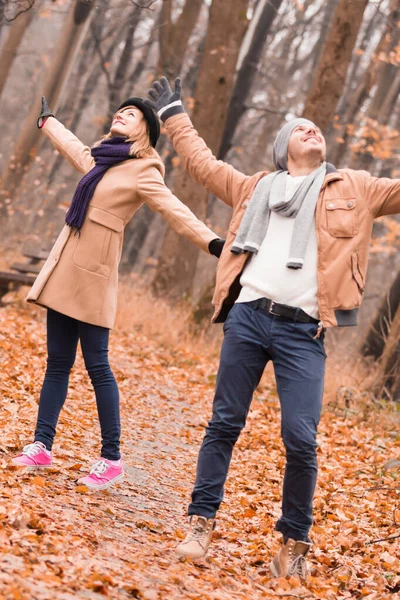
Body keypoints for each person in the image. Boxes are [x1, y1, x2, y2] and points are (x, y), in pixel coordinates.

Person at [145, 77, 400, 580]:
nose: (311, 129)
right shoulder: (255, 187)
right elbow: (202, 165)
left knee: (302, 438)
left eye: (316, 127)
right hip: (248, 317)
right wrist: (173, 115)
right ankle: (200, 525)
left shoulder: (355, 187)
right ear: (283, 149)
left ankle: (293, 543)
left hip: (304, 332)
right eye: (299, 128)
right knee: (224, 423)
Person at [11, 95, 223, 490]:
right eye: (120, 110)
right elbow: (74, 146)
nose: (122, 114)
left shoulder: (144, 170)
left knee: (98, 367)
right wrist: (48, 121)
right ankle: (42, 445)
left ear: (145, 130)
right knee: (57, 363)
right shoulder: (100, 160)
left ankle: (111, 458)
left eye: (133, 114)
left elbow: (175, 210)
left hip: (93, 277)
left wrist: (213, 243)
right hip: (64, 272)